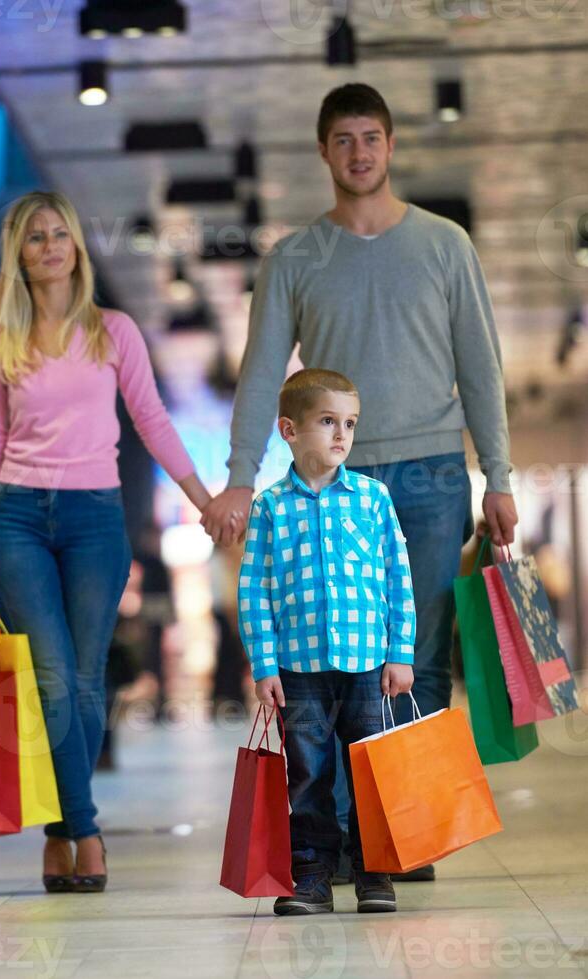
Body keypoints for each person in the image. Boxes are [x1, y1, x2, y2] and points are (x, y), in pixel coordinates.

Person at [202, 83, 519, 881]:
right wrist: (240, 478)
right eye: (342, 139)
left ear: (389, 144)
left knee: (415, 657)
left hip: (428, 473)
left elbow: (480, 369)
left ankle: (402, 835)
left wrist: (499, 476)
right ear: (323, 151)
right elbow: (261, 373)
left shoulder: (445, 244)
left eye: (370, 137)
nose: (358, 152)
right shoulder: (294, 257)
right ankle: (343, 840)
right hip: (326, 483)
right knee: (329, 669)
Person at [0, 190, 212, 893]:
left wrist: (202, 502)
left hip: (95, 520)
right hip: (15, 519)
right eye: (35, 237)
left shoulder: (112, 332)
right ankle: (85, 830)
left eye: (60, 234)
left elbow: (154, 422)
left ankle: (58, 829)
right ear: (18, 253)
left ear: (76, 246)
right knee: (50, 676)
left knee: (81, 679)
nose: (50, 247)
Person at [238, 368, 415, 914]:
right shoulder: (269, 507)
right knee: (308, 773)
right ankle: (312, 874)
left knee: (369, 768)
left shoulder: (372, 498)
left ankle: (375, 871)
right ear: (289, 430)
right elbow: (254, 590)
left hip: (367, 664)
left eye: (350, 424)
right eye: (328, 422)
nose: (342, 434)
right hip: (298, 669)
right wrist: (264, 665)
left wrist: (401, 652)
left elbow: (396, 576)